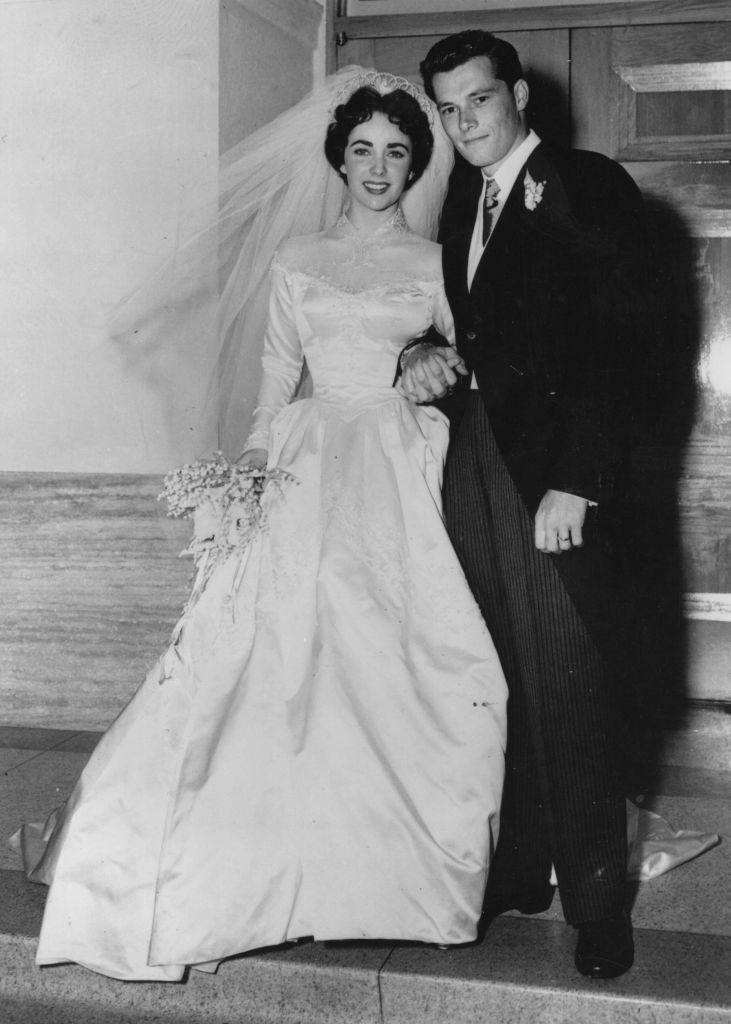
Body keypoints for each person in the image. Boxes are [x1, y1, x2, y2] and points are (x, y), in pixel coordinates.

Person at [9, 70, 508, 982]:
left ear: (415, 165)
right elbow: (277, 383)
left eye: (397, 151)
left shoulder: (437, 262)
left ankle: (390, 879)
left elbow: (479, 363)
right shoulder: (297, 259)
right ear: (338, 158)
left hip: (400, 462)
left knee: (404, 652)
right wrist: (243, 479)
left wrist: (436, 360)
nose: (378, 168)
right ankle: (251, 863)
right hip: (306, 461)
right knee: (271, 648)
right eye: (361, 149)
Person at [399, 30, 646, 979]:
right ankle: (523, 867)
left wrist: (578, 480)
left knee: (570, 678)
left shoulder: (586, 185)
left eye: (480, 102)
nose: (465, 123)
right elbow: (452, 323)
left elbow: (621, 348)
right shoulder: (463, 199)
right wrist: (411, 353)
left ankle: (596, 903)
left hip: (552, 480)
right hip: (474, 468)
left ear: (519, 99)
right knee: (501, 670)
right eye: (449, 109)